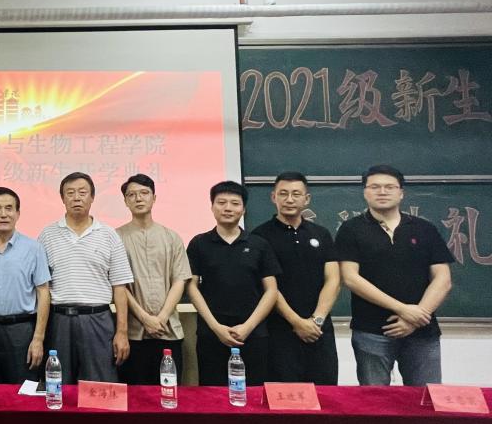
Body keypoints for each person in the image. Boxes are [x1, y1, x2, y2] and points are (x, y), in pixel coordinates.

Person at [336, 164, 454, 386]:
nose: (382, 192)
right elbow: (350, 278)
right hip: (371, 331)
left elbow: (443, 279)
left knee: (426, 398)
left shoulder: (424, 228)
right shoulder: (351, 229)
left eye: (389, 187)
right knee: (375, 400)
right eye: (375, 187)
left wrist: (416, 317)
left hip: (422, 332)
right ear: (365, 192)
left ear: (401, 193)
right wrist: (403, 310)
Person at [38, 172, 132, 384]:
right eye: (70, 193)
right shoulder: (47, 235)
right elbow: (42, 288)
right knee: (58, 384)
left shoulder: (109, 235)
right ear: (62, 198)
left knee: (100, 386)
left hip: (98, 320)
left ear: (92, 197)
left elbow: (120, 287)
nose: (76, 198)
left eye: (82, 192)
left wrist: (122, 332)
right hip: (59, 321)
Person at [186, 181, 280, 386]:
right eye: (221, 202)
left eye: (235, 203)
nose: (228, 208)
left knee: (254, 394)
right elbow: (191, 287)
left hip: (253, 334)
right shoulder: (199, 243)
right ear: (212, 207)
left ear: (243, 209)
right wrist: (215, 327)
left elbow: (271, 290)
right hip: (211, 334)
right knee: (213, 394)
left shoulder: (259, 244)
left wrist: (248, 327)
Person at [251, 172, 340, 384]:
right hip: (279, 331)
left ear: (306, 199)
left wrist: (316, 320)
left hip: (319, 330)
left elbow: (333, 280)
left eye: (296, 194)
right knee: (284, 395)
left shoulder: (321, 233)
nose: (289, 199)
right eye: (283, 194)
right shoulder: (259, 236)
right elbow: (268, 287)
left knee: (325, 393)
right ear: (273, 197)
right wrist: (297, 322)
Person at [115, 174, 192, 385]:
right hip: (133, 334)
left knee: (169, 394)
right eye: (132, 195)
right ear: (125, 201)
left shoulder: (171, 237)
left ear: (154, 198)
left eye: (144, 193)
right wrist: (145, 318)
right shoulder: (115, 238)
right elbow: (118, 285)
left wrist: (162, 317)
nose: (138, 198)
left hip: (168, 331)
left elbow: (180, 280)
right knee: (135, 396)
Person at [0, 187, 51, 384]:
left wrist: (38, 338)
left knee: (23, 390)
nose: (3, 214)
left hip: (22, 330)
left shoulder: (34, 249)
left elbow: (43, 293)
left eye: (9, 208)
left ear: (18, 213)